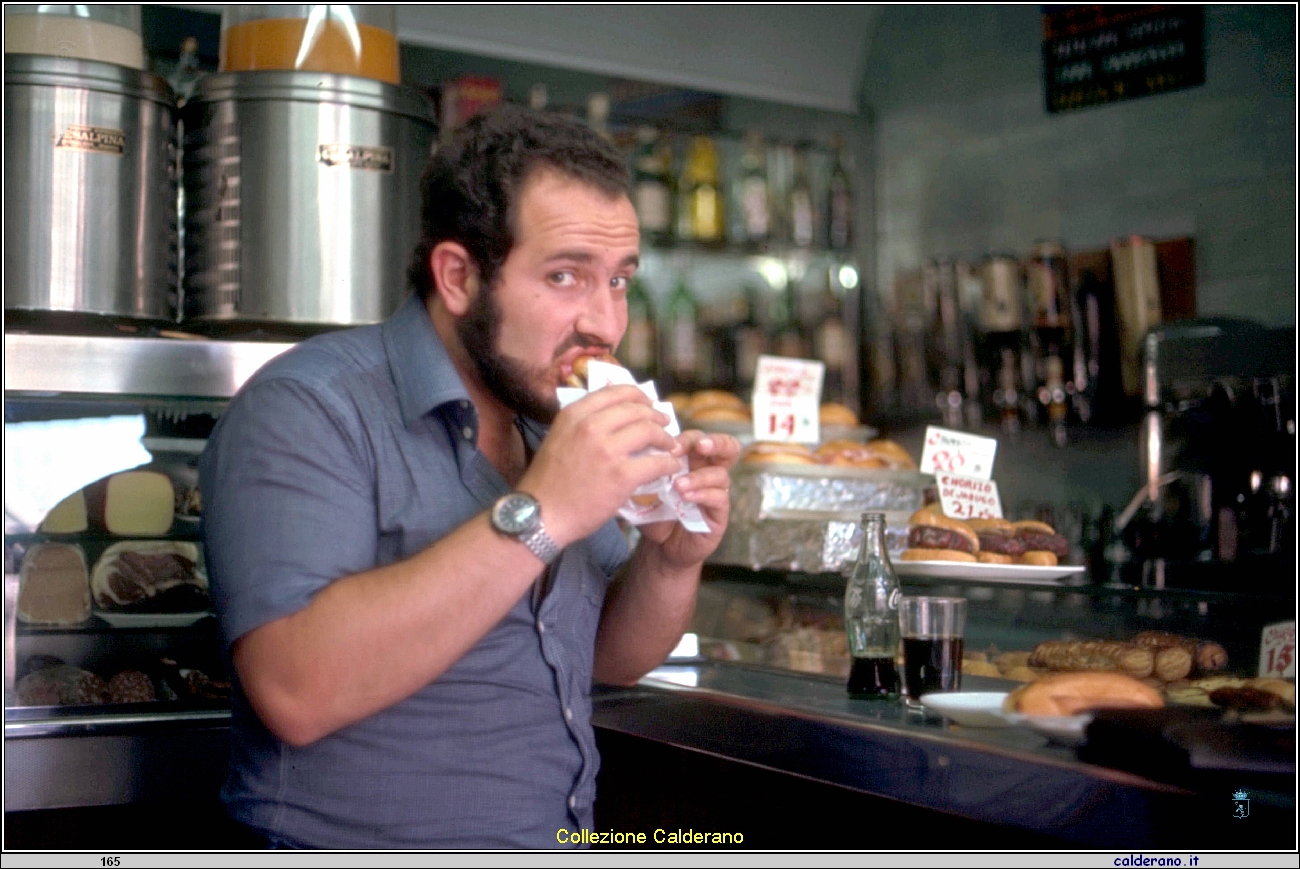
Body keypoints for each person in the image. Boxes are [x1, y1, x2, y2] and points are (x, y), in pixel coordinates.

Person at [198, 104, 740, 849]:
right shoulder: (307, 407)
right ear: (456, 277)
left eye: (618, 281)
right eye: (564, 276)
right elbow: (295, 688)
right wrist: (543, 509)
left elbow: (607, 655)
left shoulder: (546, 415)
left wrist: (672, 560)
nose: (606, 324)